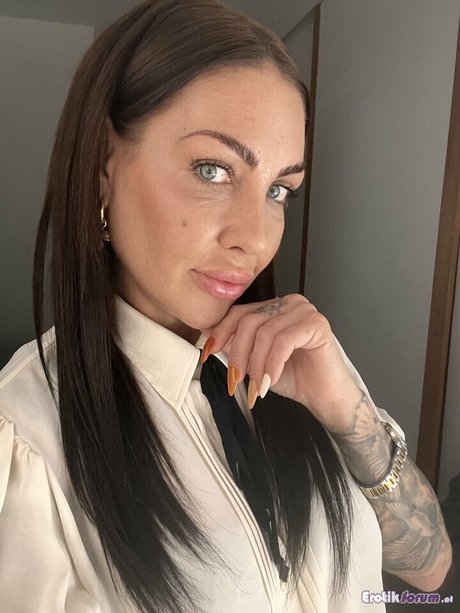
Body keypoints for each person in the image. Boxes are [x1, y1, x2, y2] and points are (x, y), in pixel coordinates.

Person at [0, 1, 452, 611]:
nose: (257, 239)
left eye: (279, 189)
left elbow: (430, 570)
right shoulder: (25, 438)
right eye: (212, 170)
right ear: (104, 167)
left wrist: (347, 413)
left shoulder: (299, 361)